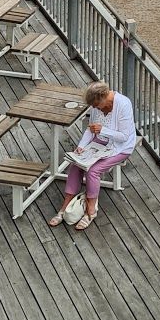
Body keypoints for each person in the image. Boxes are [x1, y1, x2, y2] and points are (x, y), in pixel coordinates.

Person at [49, 82, 136, 232]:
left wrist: (103, 130)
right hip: (99, 145)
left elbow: (124, 136)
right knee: (75, 164)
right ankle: (65, 205)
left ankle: (91, 210)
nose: (95, 108)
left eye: (96, 105)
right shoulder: (97, 106)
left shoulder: (123, 104)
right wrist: (82, 146)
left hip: (120, 147)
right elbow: (91, 130)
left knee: (93, 171)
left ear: (103, 97)